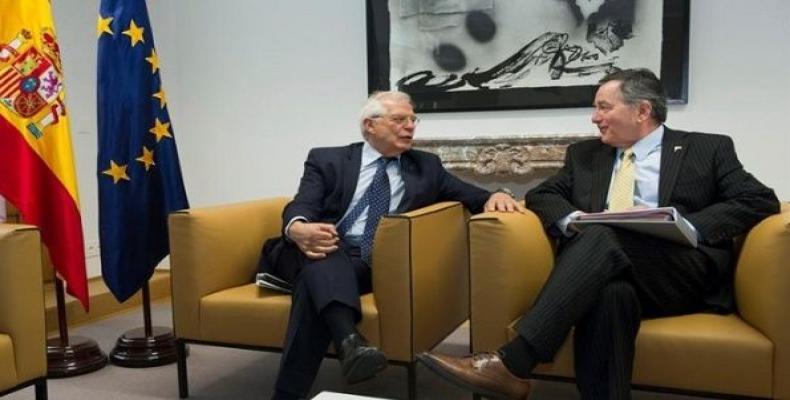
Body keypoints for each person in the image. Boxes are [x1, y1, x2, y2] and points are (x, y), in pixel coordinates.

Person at [418, 68, 780, 400]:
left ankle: (515, 361)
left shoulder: (706, 148)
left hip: (680, 273)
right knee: (611, 293)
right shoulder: (585, 155)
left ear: (641, 111)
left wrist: (685, 223)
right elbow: (544, 194)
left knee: (604, 235)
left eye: (603, 107)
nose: (594, 117)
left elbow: (758, 200)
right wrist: (576, 219)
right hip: (605, 269)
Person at [270, 91, 524, 400]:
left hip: (368, 260)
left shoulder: (426, 166)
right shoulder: (328, 159)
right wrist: (298, 229)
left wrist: (496, 193)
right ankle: (349, 341)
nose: (410, 127)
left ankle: (298, 385)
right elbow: (303, 203)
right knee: (323, 253)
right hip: (313, 247)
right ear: (370, 125)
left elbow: (470, 193)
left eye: (413, 119)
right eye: (399, 119)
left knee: (313, 283)